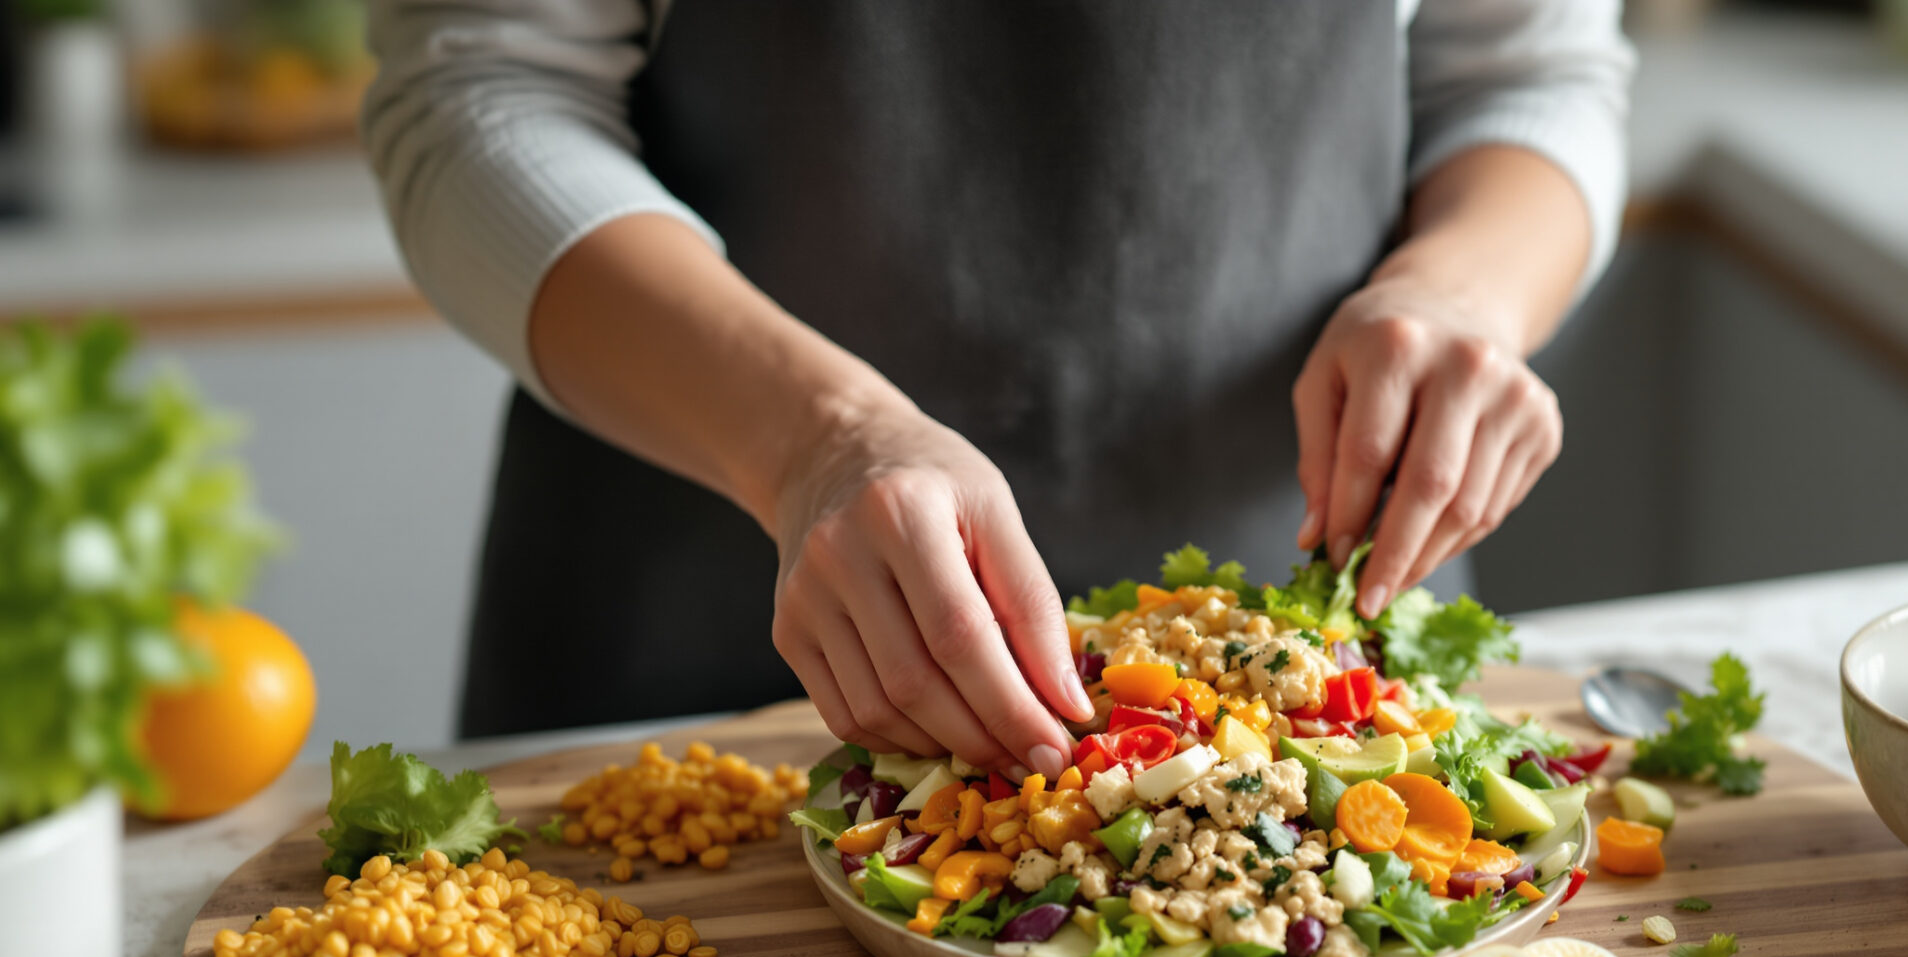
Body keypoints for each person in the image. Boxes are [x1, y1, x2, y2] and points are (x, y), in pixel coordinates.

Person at [363, 0, 1634, 780]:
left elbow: (1529, 71)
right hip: (697, 608)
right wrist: (816, 443)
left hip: (1310, 626)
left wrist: (1463, 295)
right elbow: (481, 92)